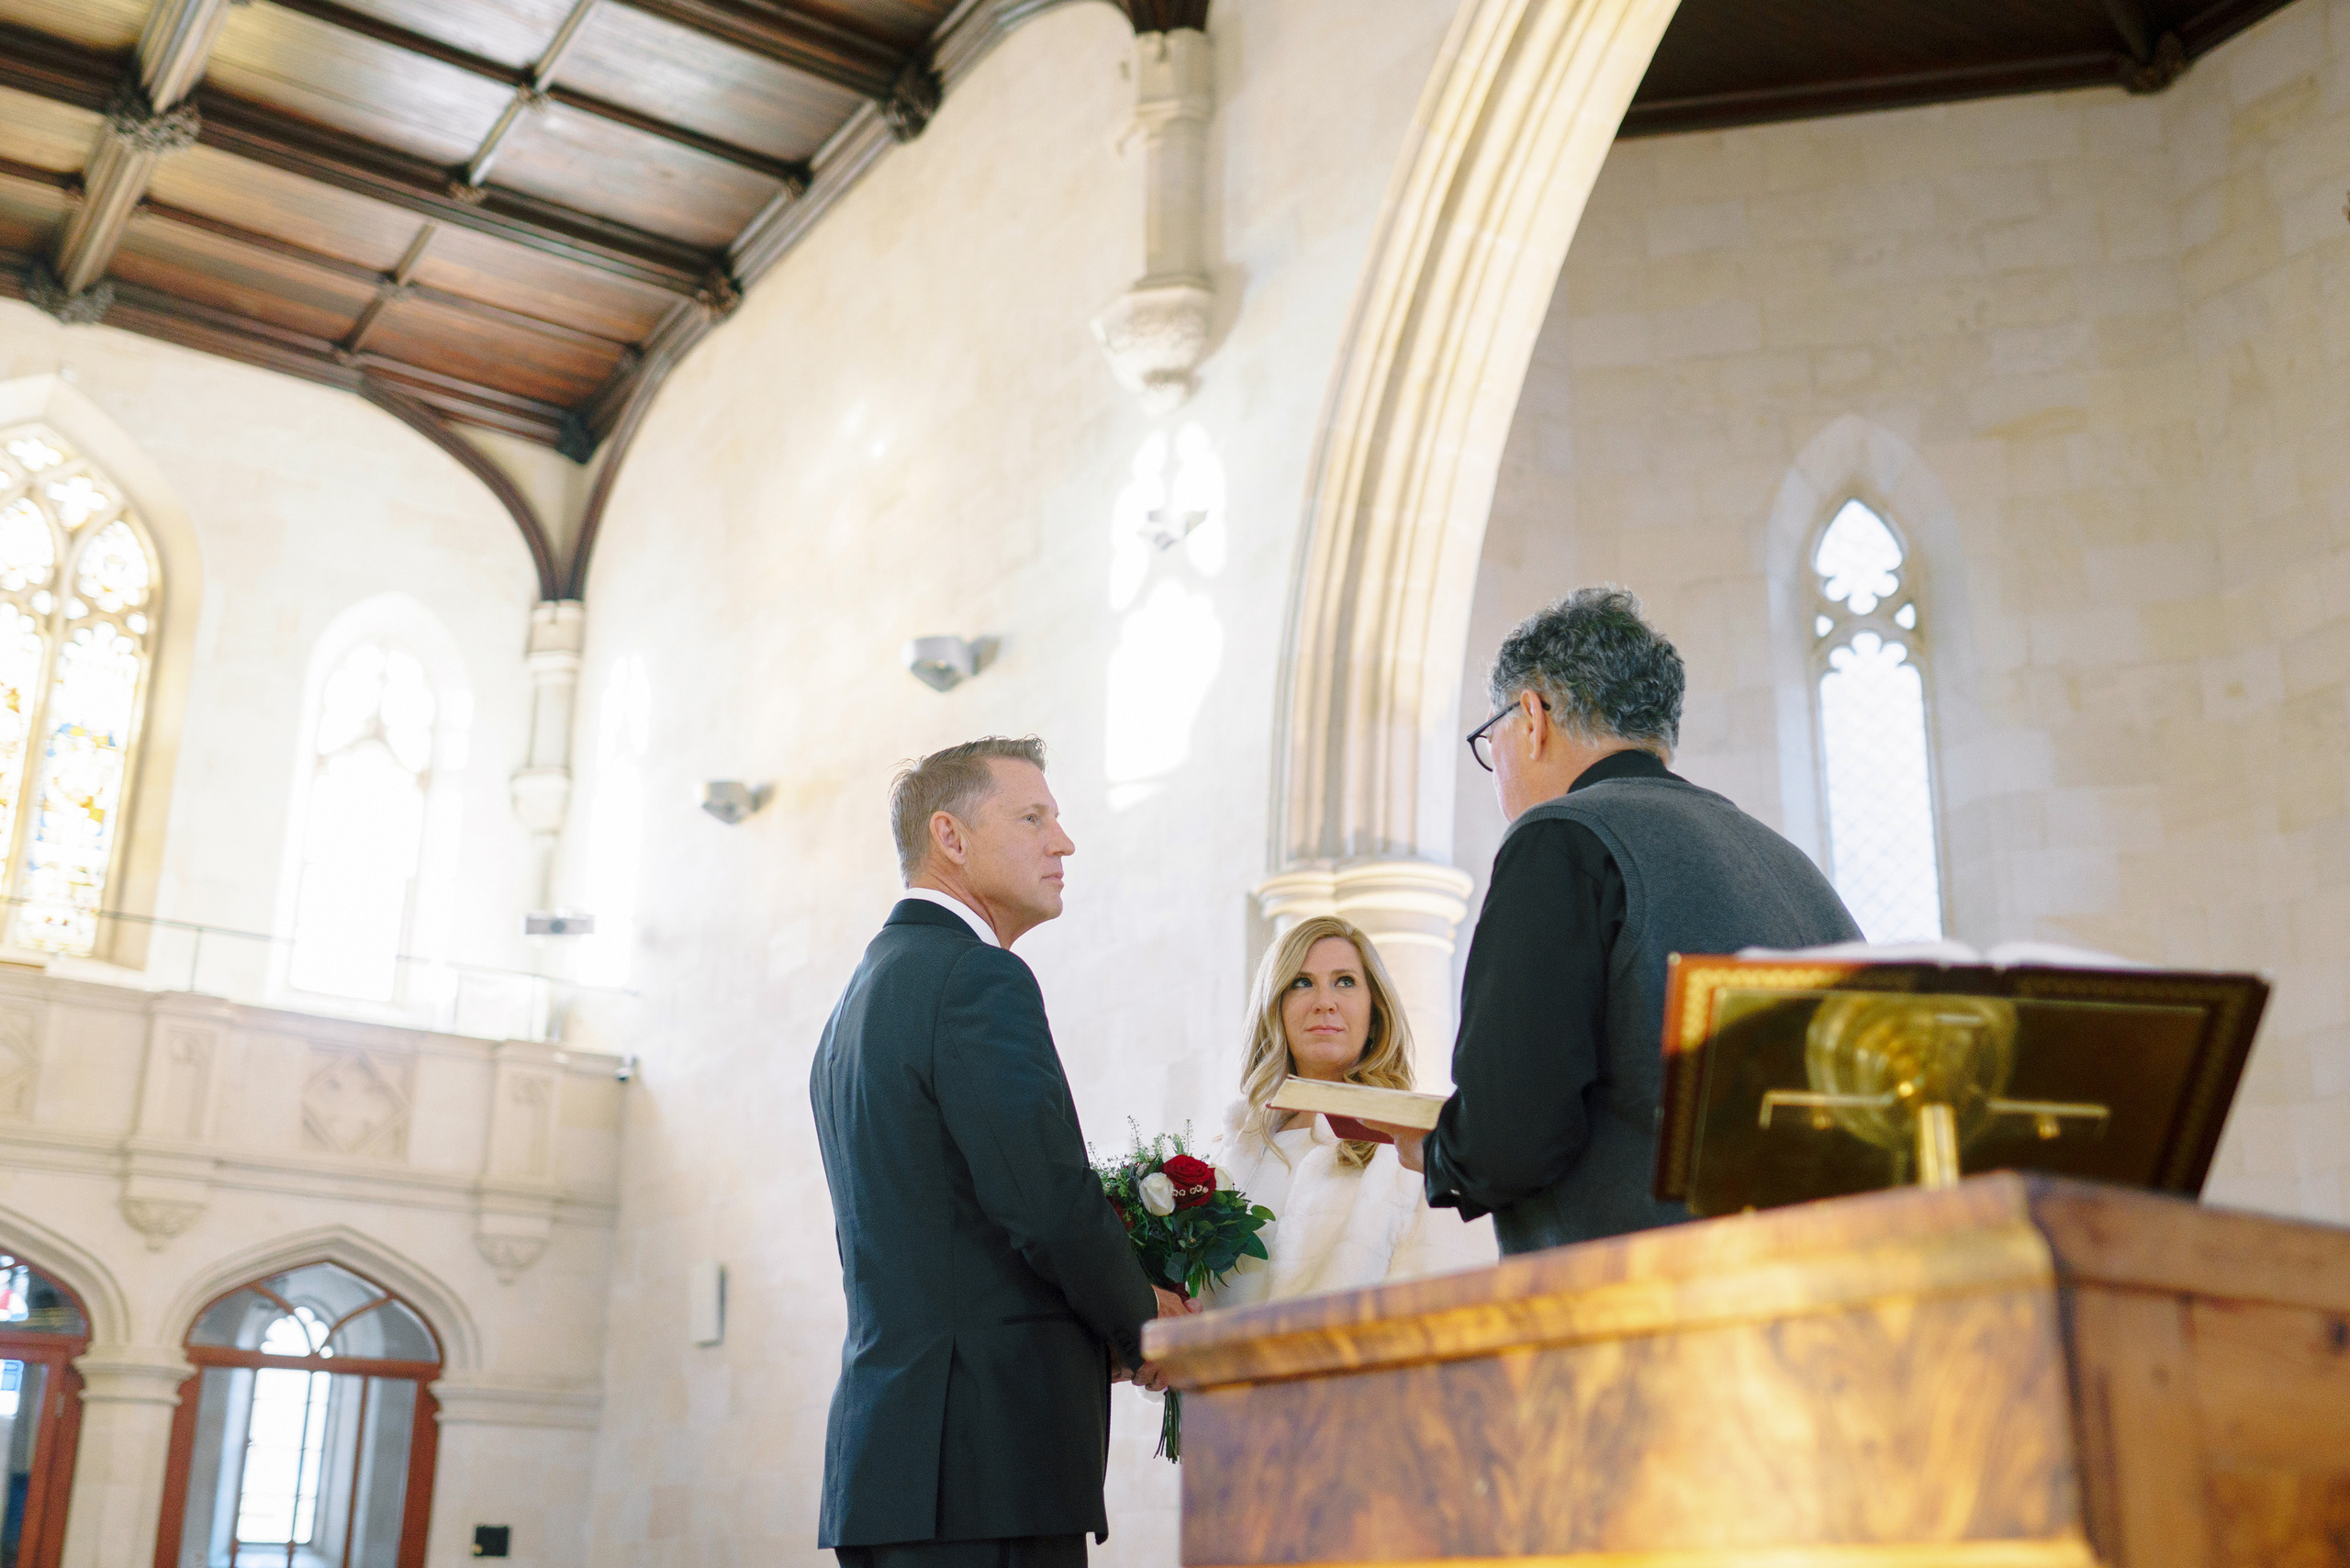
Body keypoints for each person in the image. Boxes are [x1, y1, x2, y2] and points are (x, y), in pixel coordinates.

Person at [1378, 588, 1863, 1254]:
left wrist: (1437, 1149)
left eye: (1491, 743)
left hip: (1639, 1313)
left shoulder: (1560, 838)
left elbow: (1513, 1134)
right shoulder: (1787, 863)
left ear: (1531, 717)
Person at [810, 737, 1190, 1568]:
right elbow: (1045, 1202)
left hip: (885, 1472)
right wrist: (1143, 1325)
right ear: (950, 836)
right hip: (986, 1469)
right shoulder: (975, 978)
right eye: (1033, 817)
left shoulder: (852, 1009)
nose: (1064, 842)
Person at [1203, 915, 1494, 1308]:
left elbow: (1443, 1308)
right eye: (1301, 982)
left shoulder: (1416, 1144)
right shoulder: (1228, 1158)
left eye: (1345, 981)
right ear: (1276, 1009)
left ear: (1374, 1014)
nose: (1325, 1002)